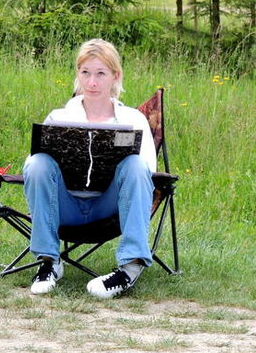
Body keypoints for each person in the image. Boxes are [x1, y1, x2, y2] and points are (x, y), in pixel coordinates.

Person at [23, 38, 156, 299]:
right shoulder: (59, 118)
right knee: (36, 162)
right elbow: (37, 173)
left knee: (136, 163)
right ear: (78, 74)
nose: (92, 82)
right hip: (65, 207)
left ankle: (130, 267)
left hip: (109, 209)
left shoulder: (133, 119)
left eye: (100, 74)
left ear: (115, 76)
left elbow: (147, 174)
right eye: (85, 73)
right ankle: (49, 261)